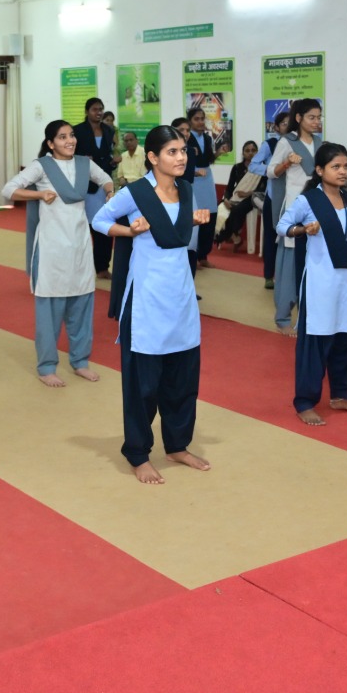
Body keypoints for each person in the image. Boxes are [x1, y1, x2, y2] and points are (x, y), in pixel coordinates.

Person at [93, 125, 213, 484]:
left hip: (181, 296)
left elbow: (178, 230)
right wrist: (129, 231)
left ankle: (177, 445)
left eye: (183, 151)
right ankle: (137, 452)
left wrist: (196, 218)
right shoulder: (137, 193)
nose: (181, 157)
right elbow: (99, 220)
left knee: (182, 379)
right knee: (142, 386)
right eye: (172, 152)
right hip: (146, 298)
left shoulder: (187, 189)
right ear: (153, 157)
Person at [2, 120, 113, 386]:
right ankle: (47, 366)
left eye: (71, 135)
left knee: (82, 305)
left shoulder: (85, 164)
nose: (70, 140)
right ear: (51, 143)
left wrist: (110, 192)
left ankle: (80, 362)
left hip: (80, 246)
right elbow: (8, 190)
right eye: (62, 137)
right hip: (52, 248)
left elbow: (106, 179)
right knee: (49, 312)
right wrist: (39, 196)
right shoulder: (42, 166)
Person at [277, 142, 347, 425]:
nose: (343, 171)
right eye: (336, 167)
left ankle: (341, 395)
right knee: (316, 340)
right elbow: (282, 226)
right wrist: (302, 229)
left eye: (345, 166)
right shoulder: (308, 200)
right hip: (320, 280)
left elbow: (342, 226)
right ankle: (305, 402)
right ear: (320, 170)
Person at [268, 99, 324, 335]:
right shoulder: (287, 142)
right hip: (294, 209)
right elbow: (271, 172)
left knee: (311, 266)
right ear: (299, 118)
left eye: (319, 117)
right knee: (289, 267)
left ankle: (306, 316)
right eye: (311, 117)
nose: (316, 121)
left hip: (315, 209)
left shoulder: (320, 144)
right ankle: (282, 318)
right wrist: (286, 163)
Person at [73, 98, 118, 279]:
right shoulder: (77, 131)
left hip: (105, 184)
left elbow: (107, 156)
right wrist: (81, 159)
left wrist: (113, 162)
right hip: (85, 185)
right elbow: (70, 155)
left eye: (101, 109)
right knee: (85, 227)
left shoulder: (109, 130)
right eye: (94, 109)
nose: (98, 112)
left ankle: (102, 267)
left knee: (105, 226)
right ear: (87, 111)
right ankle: (80, 268)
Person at [249, 111, 292, 288]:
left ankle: (287, 275)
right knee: (271, 236)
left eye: (290, 123)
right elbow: (253, 165)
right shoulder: (270, 144)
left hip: (293, 198)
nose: (287, 127)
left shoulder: (298, 145)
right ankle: (269, 275)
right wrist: (272, 170)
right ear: (276, 128)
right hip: (274, 197)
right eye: (284, 124)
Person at [185, 107, 219, 268]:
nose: (200, 122)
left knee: (210, 214)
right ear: (190, 121)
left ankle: (204, 255)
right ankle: (193, 255)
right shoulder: (185, 139)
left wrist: (219, 153)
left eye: (202, 118)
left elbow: (209, 159)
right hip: (193, 179)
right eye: (196, 119)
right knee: (195, 217)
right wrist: (194, 172)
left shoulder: (207, 138)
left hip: (207, 178)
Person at [213, 140, 262, 246]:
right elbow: (230, 187)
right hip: (236, 196)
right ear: (243, 153)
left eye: (253, 150)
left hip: (252, 198)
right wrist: (226, 199)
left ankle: (228, 235)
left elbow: (263, 189)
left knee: (237, 209)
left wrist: (247, 193)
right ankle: (234, 236)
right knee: (220, 207)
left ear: (257, 152)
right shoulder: (237, 168)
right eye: (247, 151)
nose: (250, 153)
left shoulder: (261, 169)